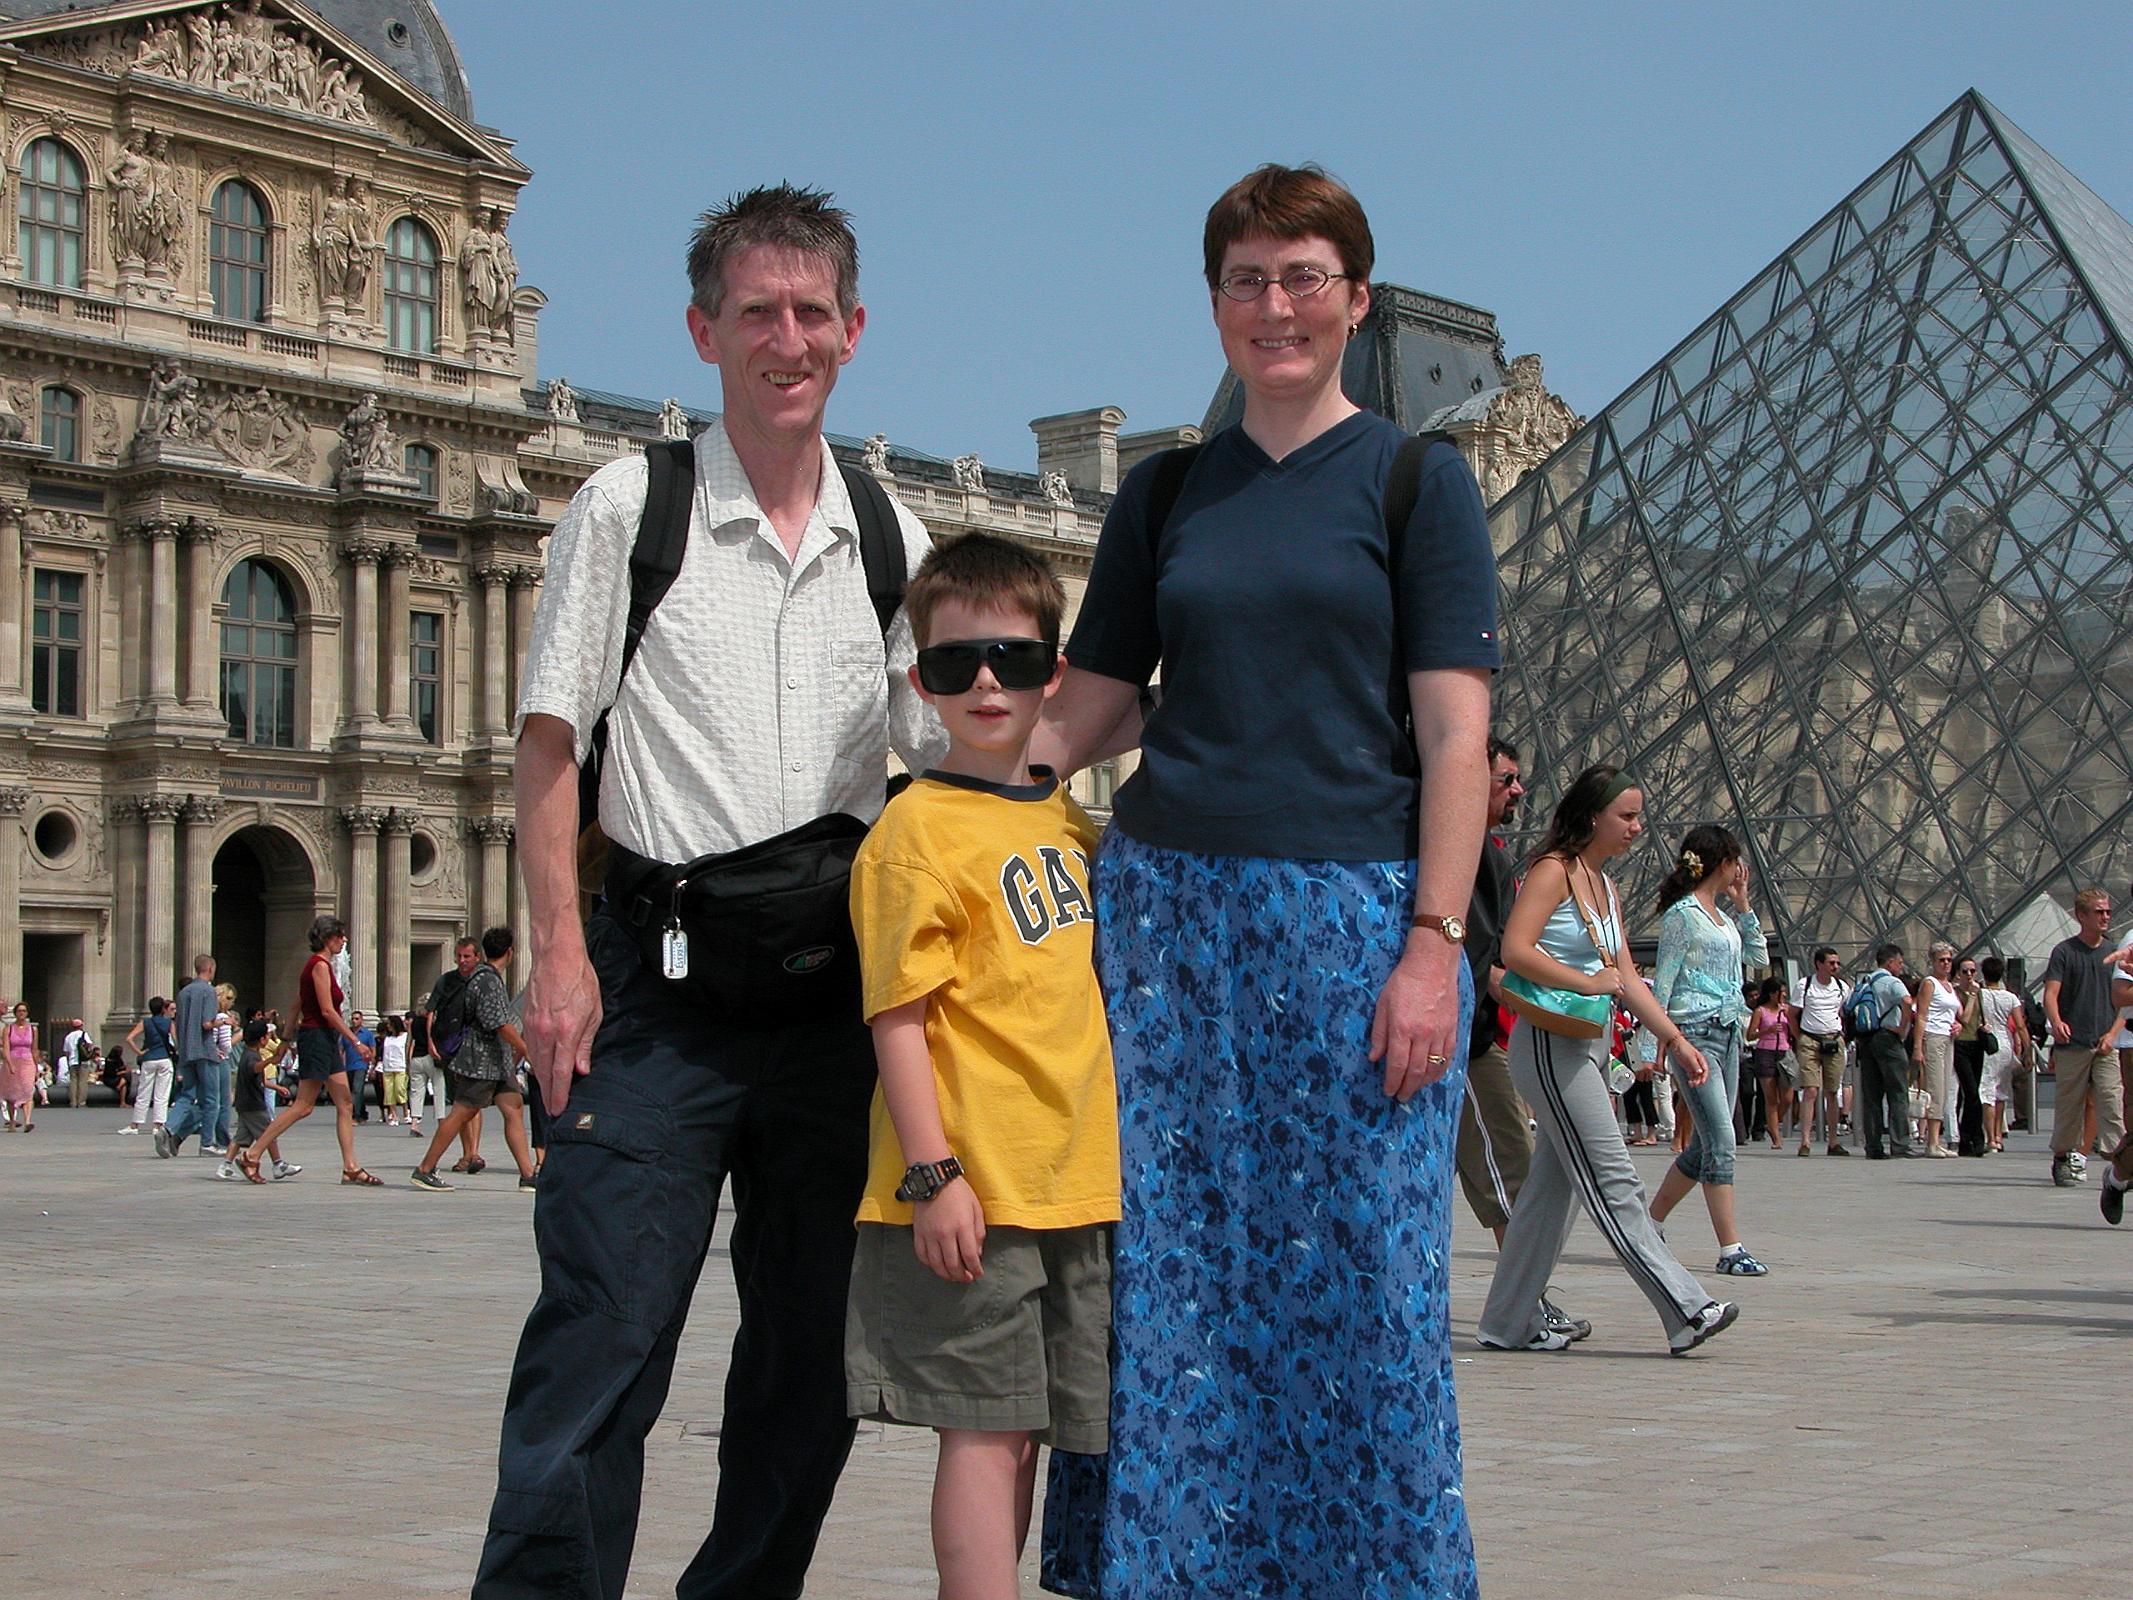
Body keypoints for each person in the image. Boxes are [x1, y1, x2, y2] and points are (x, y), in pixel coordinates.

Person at [1034, 164, 1496, 1599]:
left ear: (1354, 298)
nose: (1274, 305)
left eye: (1303, 277)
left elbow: (1454, 733)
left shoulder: (1417, 482)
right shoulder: (1167, 490)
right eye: (1246, 279)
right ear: (1215, 301)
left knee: (1367, 1283)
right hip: (1167, 921)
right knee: (1170, 1271)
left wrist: (1433, 946)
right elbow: (1093, 703)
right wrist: (963, 785)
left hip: (1355, 919)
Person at [481, 183, 942, 1599]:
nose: (784, 339)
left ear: (854, 330)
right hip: (655, 993)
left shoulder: (894, 538)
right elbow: (549, 744)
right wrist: (557, 956)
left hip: (827, 1007)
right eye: (756, 313)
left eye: (810, 312)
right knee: (601, 1339)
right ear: (703, 331)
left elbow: (954, 761)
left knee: (809, 1363)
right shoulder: (630, 507)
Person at [842, 533, 1117, 1600]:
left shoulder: (1063, 817)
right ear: (922, 683)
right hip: (974, 1184)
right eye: (956, 664)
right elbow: (895, 1020)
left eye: (1013, 658)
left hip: (1069, 1181)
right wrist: (933, 1173)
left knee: (1024, 1430)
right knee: (985, 1433)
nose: (987, 683)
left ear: (1054, 672)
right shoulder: (914, 830)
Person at [1475, 765, 1739, 1356]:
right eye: (1627, 815)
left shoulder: (1602, 884)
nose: (1637, 827)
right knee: (1613, 1178)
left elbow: (1625, 977)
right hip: (1551, 1044)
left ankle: (1507, 1322)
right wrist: (1586, 981)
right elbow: (1516, 949)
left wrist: (1674, 1039)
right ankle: (1685, 1307)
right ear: (1592, 815)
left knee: (1551, 1195)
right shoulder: (1553, 871)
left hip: (1588, 1044)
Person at [1457, 738, 1589, 1340]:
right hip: (1465, 1041)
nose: (1518, 790)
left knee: (1515, 1168)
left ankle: (1526, 1302)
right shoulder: (1461, 853)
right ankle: (1524, 1308)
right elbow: (1476, 954)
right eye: (1506, 778)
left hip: (1479, 1034)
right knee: (1512, 1170)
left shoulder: (1486, 852)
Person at [1643, 827, 1771, 1277]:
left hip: (1729, 1033)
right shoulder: (1682, 916)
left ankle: (1648, 1224)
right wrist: (1653, 1047)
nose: (1741, 870)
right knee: (1721, 1139)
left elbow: (1759, 958)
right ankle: (1730, 1248)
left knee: (1704, 1145)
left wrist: (1744, 905)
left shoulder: (1724, 918)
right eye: (1736, 861)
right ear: (1723, 862)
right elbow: (1663, 981)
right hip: (1694, 1034)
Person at [236, 917, 377, 1186]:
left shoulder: (316, 966)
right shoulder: (319, 966)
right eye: (339, 936)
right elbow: (327, 1011)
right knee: (303, 1106)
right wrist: (355, 1042)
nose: (344, 940)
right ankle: (252, 1154)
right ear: (326, 938)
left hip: (323, 1038)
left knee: (345, 1103)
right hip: (317, 1037)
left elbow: (295, 1006)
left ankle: (350, 1167)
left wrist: (285, 1040)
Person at [409, 928, 536, 1193]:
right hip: (482, 1061)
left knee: (513, 1108)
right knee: (461, 1113)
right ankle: (425, 1169)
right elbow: (498, 1023)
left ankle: (527, 1175)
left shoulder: (484, 978)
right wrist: (525, 1049)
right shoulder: (487, 981)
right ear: (510, 952)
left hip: (498, 1061)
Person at [2045, 888, 2124, 1187]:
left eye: (2108, 911)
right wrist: (2057, 1021)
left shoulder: (2114, 953)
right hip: (2073, 1043)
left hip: (2105, 1042)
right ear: (2081, 916)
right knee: (2069, 1106)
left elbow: (2124, 1001)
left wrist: (2113, 1034)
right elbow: (2051, 994)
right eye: (2099, 912)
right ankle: (2062, 1157)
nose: (2106, 916)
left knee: (2112, 1102)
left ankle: (2120, 1163)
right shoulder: (2065, 952)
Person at [156, 955, 224, 1159]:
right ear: (210, 968)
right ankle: (207, 1143)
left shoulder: (183, 992)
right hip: (205, 1050)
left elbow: (178, 1024)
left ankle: (167, 1128)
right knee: (211, 1099)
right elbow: (206, 1024)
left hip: (187, 1050)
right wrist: (222, 1022)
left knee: (187, 1094)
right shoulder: (208, 991)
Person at [1787, 947, 1851, 1156]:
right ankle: (1805, 1141)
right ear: (1819, 964)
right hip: (1810, 1039)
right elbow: (1792, 1014)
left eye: (1837, 963)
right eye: (1831, 963)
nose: (1835, 967)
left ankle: (1833, 1141)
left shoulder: (1841, 987)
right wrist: (1800, 1038)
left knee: (1832, 1091)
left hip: (1833, 1039)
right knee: (1811, 1090)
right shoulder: (1804, 985)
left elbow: (1843, 1010)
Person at [1854, 946, 1915, 1159]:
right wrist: (1902, 1029)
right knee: (1898, 1092)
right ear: (1890, 962)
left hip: (1866, 1040)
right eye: (1899, 962)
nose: (1901, 967)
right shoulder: (1892, 982)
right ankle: (1900, 1144)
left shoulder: (1865, 982)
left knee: (1872, 1096)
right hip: (1888, 1038)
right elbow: (1907, 1001)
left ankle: (1873, 1146)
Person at [222, 1020, 298, 1182]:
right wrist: (270, 1061)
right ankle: (278, 1164)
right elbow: (254, 1068)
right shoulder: (251, 1056)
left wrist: (276, 1087)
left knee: (240, 1137)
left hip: (245, 1104)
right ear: (262, 1039)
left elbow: (261, 1079)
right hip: (253, 1104)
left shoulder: (250, 1053)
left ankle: (225, 1166)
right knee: (269, 1133)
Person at [1911, 942, 1960, 1158]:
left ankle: (1936, 1140)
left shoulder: (1949, 986)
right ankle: (1931, 1142)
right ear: (1932, 961)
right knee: (1935, 1089)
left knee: (1944, 1088)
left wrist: (1958, 1025)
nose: (1946, 963)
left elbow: (1955, 1013)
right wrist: (1917, 1046)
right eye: (1942, 960)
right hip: (1932, 1038)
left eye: (1949, 960)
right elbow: (1921, 1016)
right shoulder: (1929, 983)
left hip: (1948, 1039)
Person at [1977, 957, 2026, 1153]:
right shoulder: (2011, 997)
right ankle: (1998, 1134)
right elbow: (2020, 1025)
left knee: (1987, 1091)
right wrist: (2027, 1049)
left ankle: (1990, 1138)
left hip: (1988, 1043)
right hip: (2006, 1043)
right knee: (2001, 1092)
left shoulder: (1979, 994)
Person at [1949, 956, 1989, 1158]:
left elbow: (1978, 1016)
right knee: (1970, 1092)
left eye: (1973, 971)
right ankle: (1971, 1138)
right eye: (1965, 971)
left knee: (1973, 1093)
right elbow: (1963, 1018)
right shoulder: (1955, 993)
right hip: (1960, 1044)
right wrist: (1972, 996)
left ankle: (1970, 1138)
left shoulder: (1979, 992)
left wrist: (1985, 1025)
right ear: (1958, 974)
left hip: (1976, 1043)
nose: (1970, 975)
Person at [122, 998, 176, 1137]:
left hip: (149, 1058)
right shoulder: (169, 1023)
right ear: (163, 1009)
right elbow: (175, 1042)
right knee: (162, 1094)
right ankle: (158, 1125)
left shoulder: (145, 1022)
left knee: (143, 1092)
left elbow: (129, 1038)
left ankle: (135, 1124)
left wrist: (139, 1052)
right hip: (164, 1058)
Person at [1750, 978, 1792, 1150]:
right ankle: (1776, 1137)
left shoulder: (1786, 1010)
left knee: (1787, 1097)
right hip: (1765, 1052)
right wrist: (1767, 1030)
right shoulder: (1760, 1011)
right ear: (1772, 993)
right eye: (1781, 992)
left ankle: (1772, 1122)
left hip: (1784, 1052)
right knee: (1771, 1098)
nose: (1784, 995)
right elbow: (1750, 1035)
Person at [3, 1001, 38, 1130]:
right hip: (13, 1060)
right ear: (15, 1013)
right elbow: (6, 1049)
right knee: (11, 1093)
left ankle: (27, 1121)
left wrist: (36, 1066)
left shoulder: (33, 1029)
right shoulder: (8, 1029)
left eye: (24, 1011)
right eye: (19, 1011)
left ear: (27, 1013)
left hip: (27, 1061)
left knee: (28, 1090)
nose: (21, 1013)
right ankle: (12, 1121)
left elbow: (34, 1049)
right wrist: (9, 1064)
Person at [340, 1008, 376, 1124]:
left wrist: (372, 1065)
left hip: (361, 1065)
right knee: (354, 1091)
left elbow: (373, 1050)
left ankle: (354, 1116)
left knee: (357, 1089)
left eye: (356, 1019)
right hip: (349, 1066)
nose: (354, 1021)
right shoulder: (347, 1034)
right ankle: (362, 1113)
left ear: (361, 1020)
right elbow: (341, 1050)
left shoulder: (367, 1034)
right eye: (352, 1019)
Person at [378, 1014, 409, 1126]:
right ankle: (394, 1114)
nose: (388, 1026)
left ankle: (406, 1111)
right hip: (388, 1068)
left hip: (401, 1066)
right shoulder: (388, 1038)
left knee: (400, 1089)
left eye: (389, 1024)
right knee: (389, 1092)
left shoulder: (405, 1036)